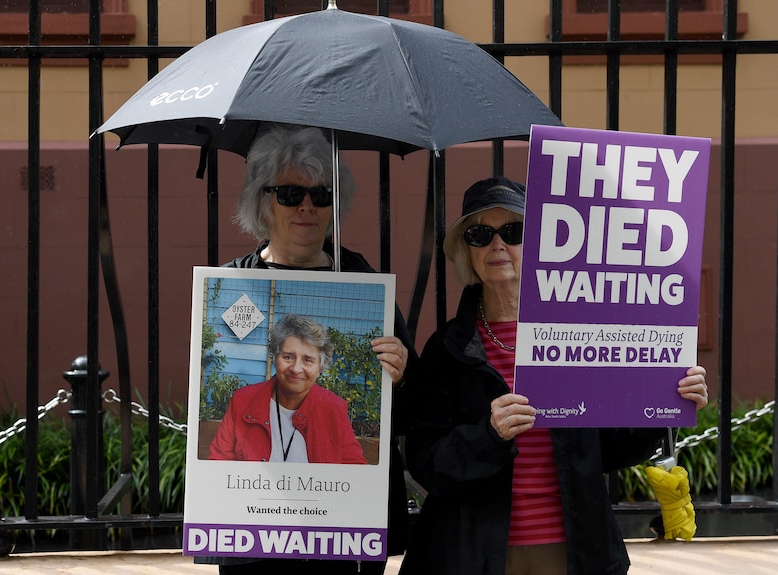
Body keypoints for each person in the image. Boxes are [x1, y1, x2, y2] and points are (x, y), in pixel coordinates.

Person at [399, 177, 710, 575]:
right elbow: (427, 464)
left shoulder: (580, 332)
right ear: (467, 250)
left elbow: (612, 447)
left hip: (573, 552)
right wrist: (488, 436)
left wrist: (667, 401)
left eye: (514, 231)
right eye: (480, 234)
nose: (497, 245)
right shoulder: (448, 348)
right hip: (475, 556)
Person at [197, 123, 416, 574]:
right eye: (290, 194)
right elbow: (217, 459)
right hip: (253, 538)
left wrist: (403, 376)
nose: (307, 207)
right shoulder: (231, 285)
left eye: (321, 195)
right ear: (262, 201)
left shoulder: (368, 286)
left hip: (338, 541)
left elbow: (413, 416)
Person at [209, 313, 367, 464]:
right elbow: (218, 462)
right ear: (274, 358)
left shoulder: (333, 408)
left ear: (321, 367)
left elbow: (355, 473)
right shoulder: (243, 400)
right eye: (288, 357)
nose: (296, 368)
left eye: (308, 360)